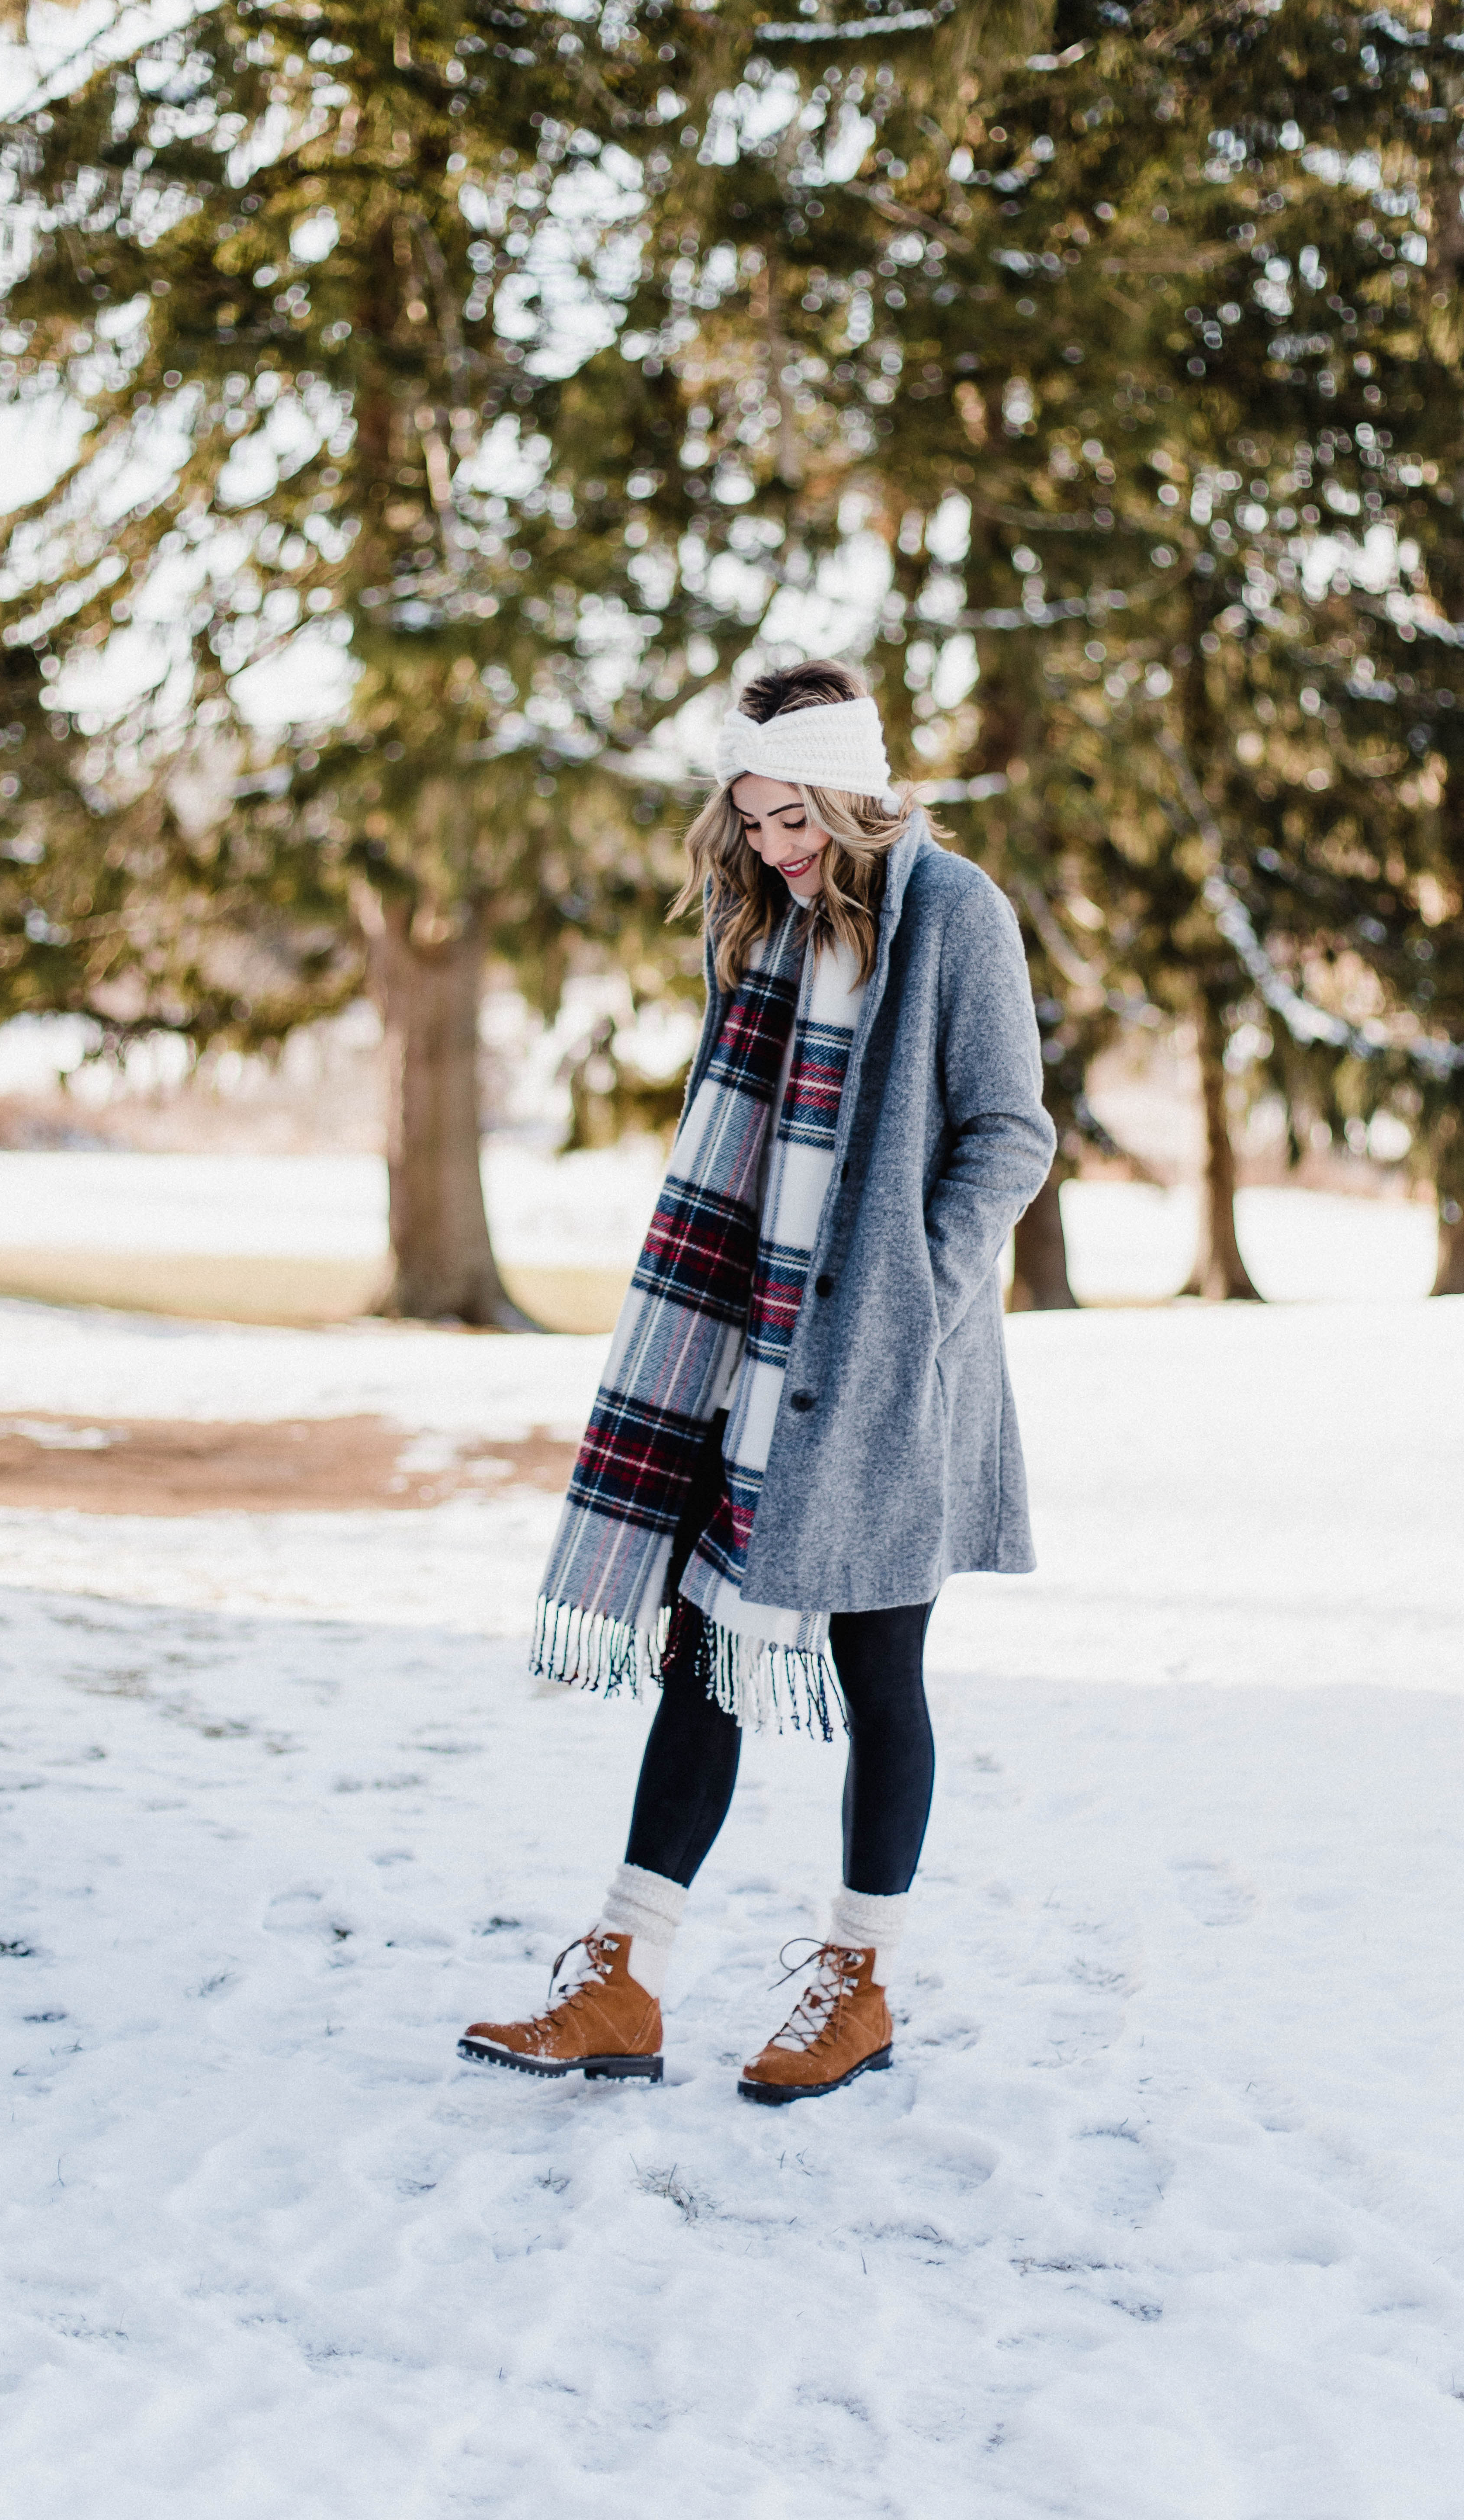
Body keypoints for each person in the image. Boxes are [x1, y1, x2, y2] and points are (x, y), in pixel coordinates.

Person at [461, 660, 1054, 2103]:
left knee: (877, 1668)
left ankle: (860, 1984)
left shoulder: (956, 915)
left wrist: (919, 1291)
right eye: (753, 820)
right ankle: (623, 1981)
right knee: (702, 1656)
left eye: (795, 819)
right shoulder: (767, 936)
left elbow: (1010, 1134)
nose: (778, 848)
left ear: (853, 792)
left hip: (885, 1373)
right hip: (744, 1358)